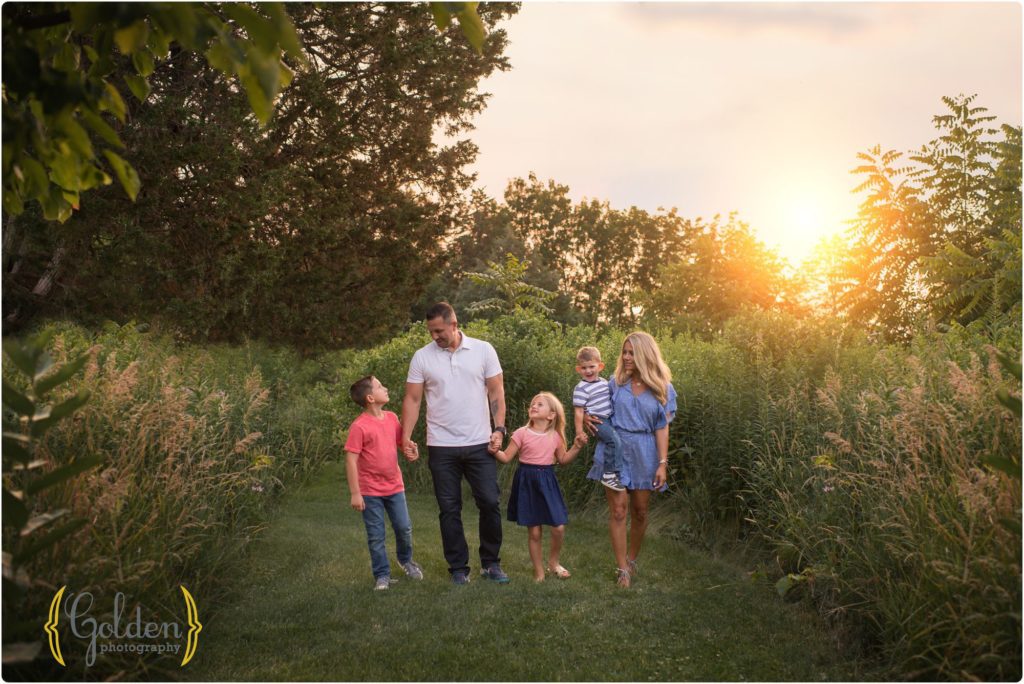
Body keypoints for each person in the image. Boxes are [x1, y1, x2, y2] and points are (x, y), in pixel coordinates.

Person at [402, 302, 510, 585]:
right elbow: (413, 399)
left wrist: (499, 429)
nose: (434, 336)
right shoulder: (422, 357)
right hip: (441, 445)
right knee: (449, 509)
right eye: (431, 331)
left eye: (438, 330)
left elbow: (496, 391)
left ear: (454, 323)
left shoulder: (483, 350)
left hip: (480, 443)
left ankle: (491, 564)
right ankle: (458, 569)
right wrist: (406, 436)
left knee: (489, 502)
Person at [585, 332, 677, 588]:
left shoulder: (663, 388)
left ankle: (632, 559)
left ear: (645, 355)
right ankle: (622, 569)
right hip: (614, 449)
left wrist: (662, 464)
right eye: (624, 352)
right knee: (618, 510)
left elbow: (662, 428)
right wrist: (585, 417)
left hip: (645, 452)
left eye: (631, 353)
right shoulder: (615, 383)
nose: (625, 357)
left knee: (640, 511)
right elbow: (595, 407)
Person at [490, 392, 587, 582]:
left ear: (551, 415)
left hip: (548, 482)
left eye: (539, 404)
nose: (533, 406)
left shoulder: (556, 436)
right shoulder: (521, 433)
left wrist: (576, 447)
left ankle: (553, 562)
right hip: (527, 482)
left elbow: (563, 460)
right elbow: (506, 457)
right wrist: (494, 450)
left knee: (558, 527)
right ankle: (539, 571)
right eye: (532, 404)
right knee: (534, 532)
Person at [344, 375, 425, 591]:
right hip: (370, 491)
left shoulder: (392, 418)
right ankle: (382, 575)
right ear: (370, 397)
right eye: (381, 386)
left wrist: (411, 451)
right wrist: (355, 493)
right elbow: (351, 460)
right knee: (376, 535)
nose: (386, 388)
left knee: (404, 527)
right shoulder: (359, 426)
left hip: (394, 487)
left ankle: (406, 560)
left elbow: (401, 444)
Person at [572, 346, 624, 492]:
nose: (588, 371)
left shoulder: (603, 382)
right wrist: (579, 431)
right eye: (584, 368)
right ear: (578, 369)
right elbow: (578, 411)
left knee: (615, 441)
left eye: (592, 367)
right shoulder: (581, 388)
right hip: (597, 421)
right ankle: (609, 474)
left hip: (608, 419)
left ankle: (615, 472)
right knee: (613, 441)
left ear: (600, 366)